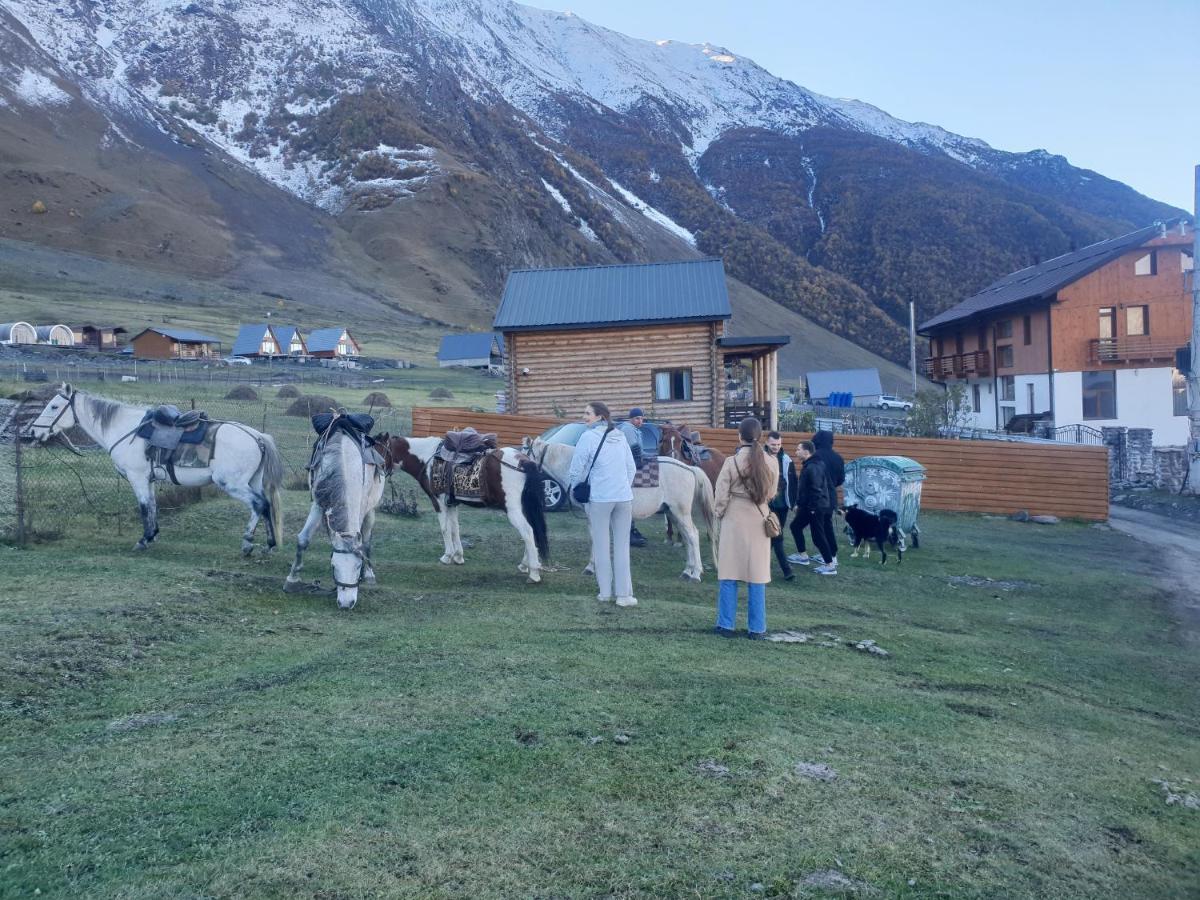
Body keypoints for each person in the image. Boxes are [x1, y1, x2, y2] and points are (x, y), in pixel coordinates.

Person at [712, 417, 778, 639]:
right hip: (760, 517)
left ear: (740, 436)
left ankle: (726, 624)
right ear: (760, 436)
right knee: (757, 576)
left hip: (734, 518)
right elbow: (771, 494)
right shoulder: (771, 462)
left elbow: (721, 493)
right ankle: (757, 628)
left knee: (729, 573)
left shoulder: (731, 461)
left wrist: (719, 512)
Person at [569, 401, 638, 607]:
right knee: (622, 546)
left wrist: (577, 488)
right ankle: (624, 595)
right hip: (623, 498)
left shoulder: (587, 437)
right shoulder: (621, 436)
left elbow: (575, 469)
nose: (584, 416)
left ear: (600, 416)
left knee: (601, 546)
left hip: (600, 498)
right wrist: (622, 486)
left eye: (587, 413)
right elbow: (631, 468)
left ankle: (605, 592)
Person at [794, 439, 837, 575]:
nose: (796, 452)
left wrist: (812, 508)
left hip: (815, 507)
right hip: (810, 506)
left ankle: (830, 565)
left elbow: (816, 489)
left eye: (798, 449)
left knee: (818, 536)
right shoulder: (812, 464)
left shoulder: (813, 467)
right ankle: (803, 556)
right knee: (795, 527)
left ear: (806, 452)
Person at [811, 430, 845, 575]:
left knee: (818, 527)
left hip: (818, 496)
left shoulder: (815, 455)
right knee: (827, 525)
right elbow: (841, 479)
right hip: (831, 495)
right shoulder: (838, 457)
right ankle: (832, 554)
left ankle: (828, 560)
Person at [765, 430, 795, 581]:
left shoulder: (787, 459)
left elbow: (793, 482)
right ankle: (787, 570)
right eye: (773, 444)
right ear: (766, 443)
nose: (776, 447)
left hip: (783, 505)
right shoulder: (760, 458)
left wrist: (793, 503)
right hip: (767, 504)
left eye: (778, 444)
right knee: (777, 536)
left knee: (771, 536)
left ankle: (761, 565)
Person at [617, 407, 648, 547]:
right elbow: (633, 450)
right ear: (631, 419)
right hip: (625, 468)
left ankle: (632, 530)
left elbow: (640, 451)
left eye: (641, 418)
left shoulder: (636, 430)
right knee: (627, 499)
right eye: (637, 418)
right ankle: (628, 533)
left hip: (631, 464)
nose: (640, 421)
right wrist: (641, 461)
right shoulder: (628, 429)